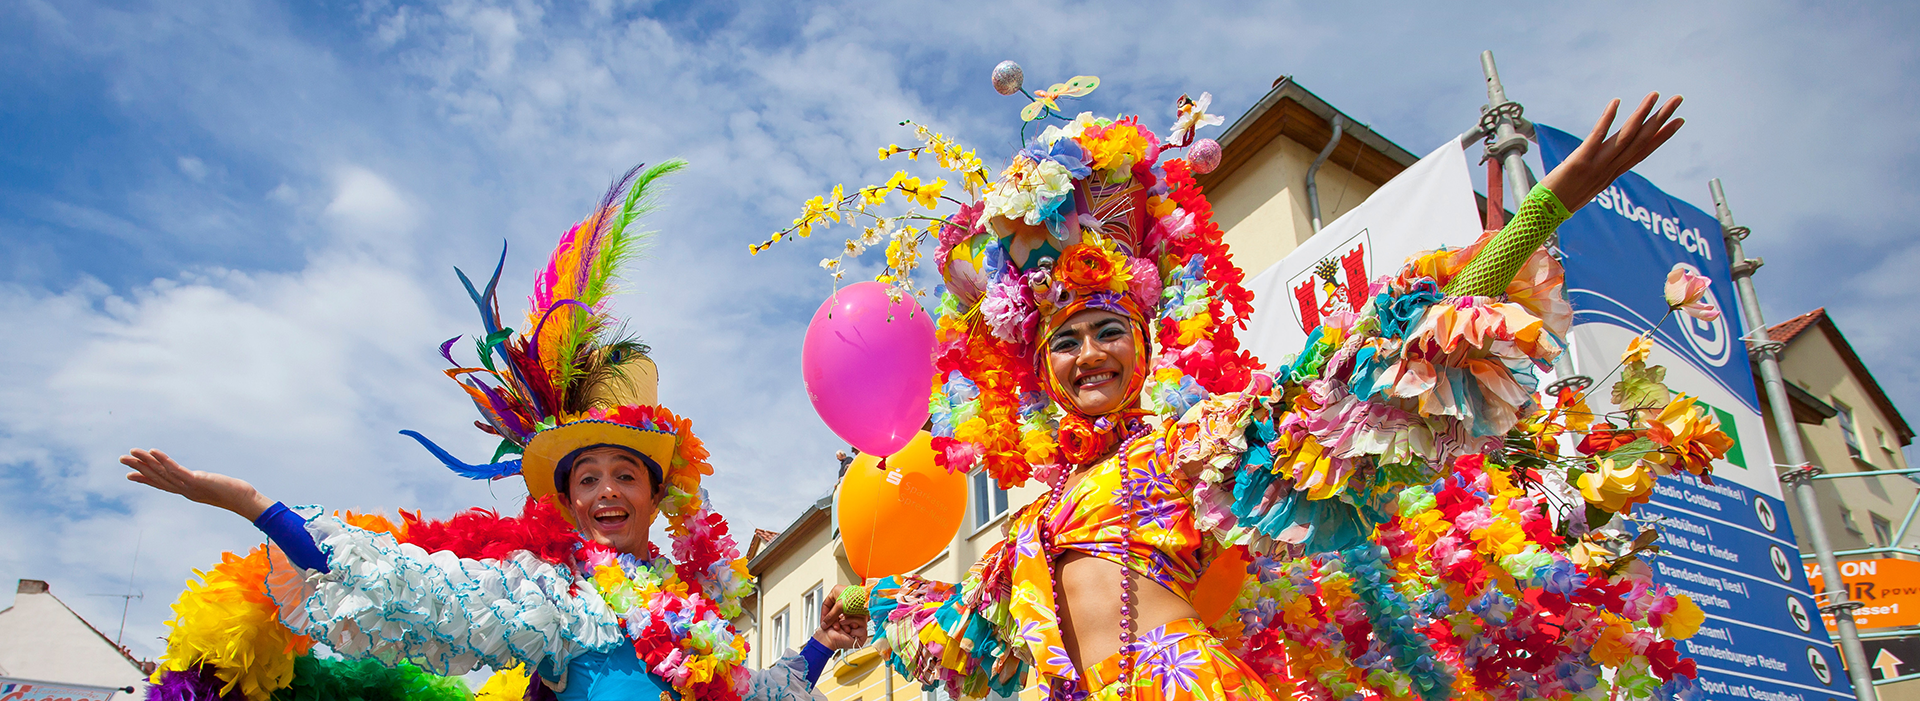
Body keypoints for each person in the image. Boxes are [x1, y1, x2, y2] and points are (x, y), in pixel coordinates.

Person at [762, 70, 1710, 701]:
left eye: (1108, 333)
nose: (1089, 355)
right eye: (1067, 343)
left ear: (1144, 348)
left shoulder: (1191, 444)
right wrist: (865, 624)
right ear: (1038, 370)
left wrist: (1544, 205)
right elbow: (964, 631)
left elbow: (1369, 365)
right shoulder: (1036, 521)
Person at [126, 160, 866, 701]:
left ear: (652, 492)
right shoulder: (552, 598)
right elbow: (404, 588)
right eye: (588, 477)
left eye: (625, 473)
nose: (607, 490)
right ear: (571, 501)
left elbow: (759, 691)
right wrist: (257, 505)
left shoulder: (696, 608)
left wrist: (821, 642)